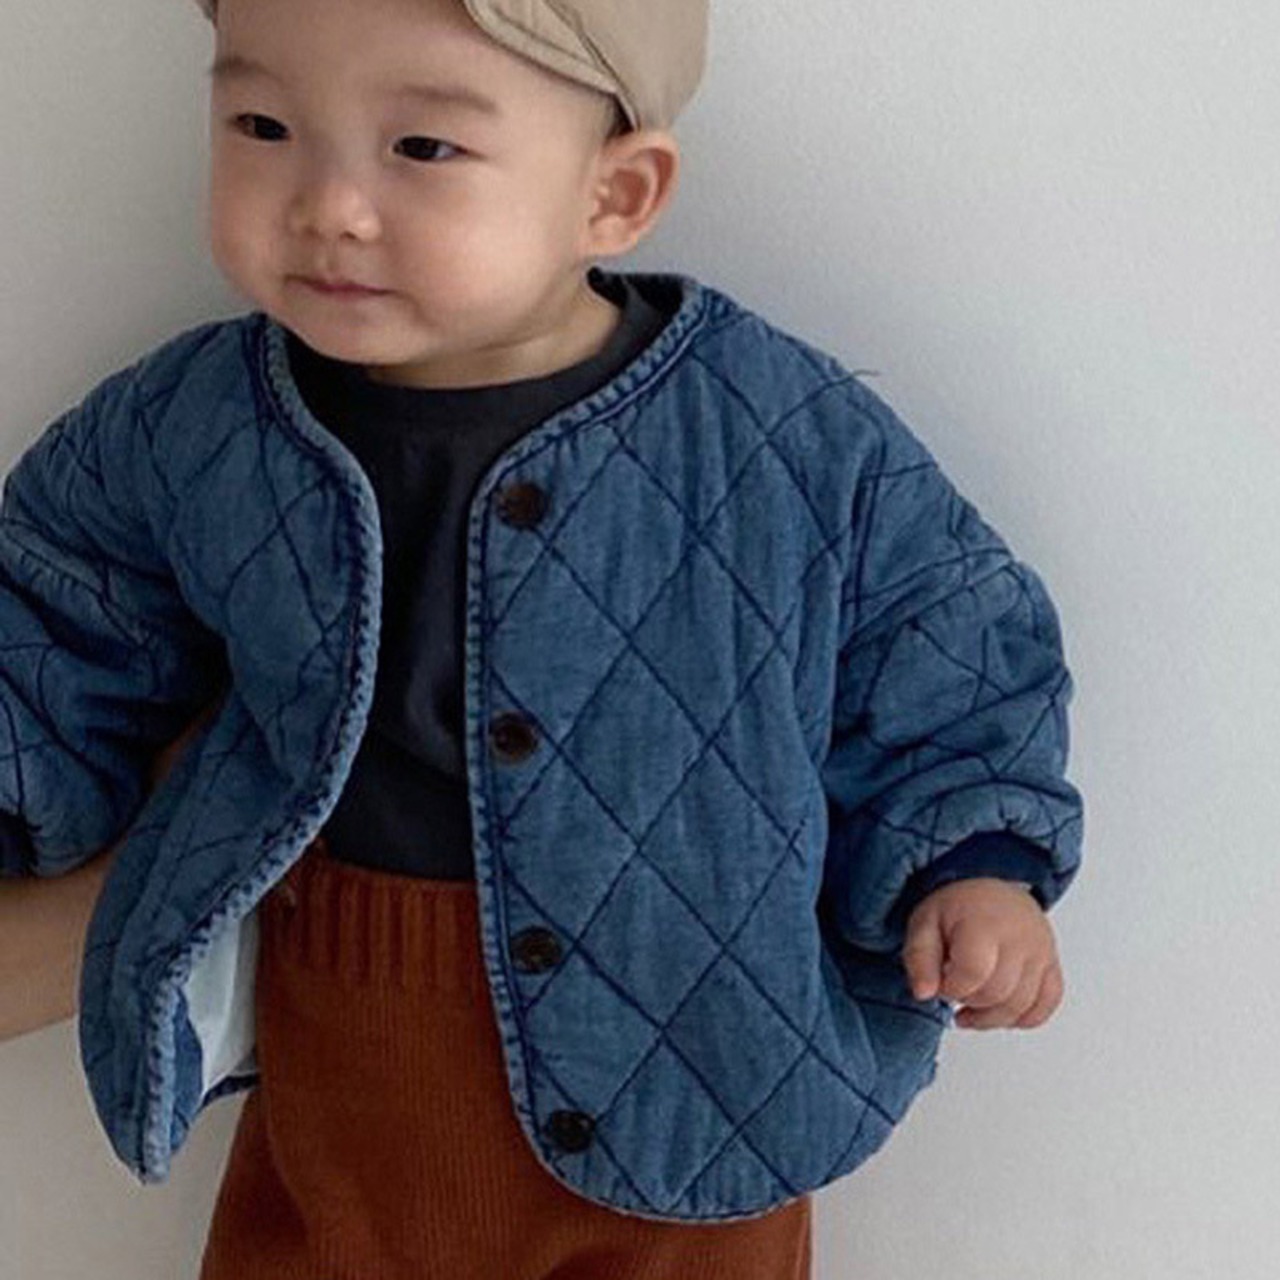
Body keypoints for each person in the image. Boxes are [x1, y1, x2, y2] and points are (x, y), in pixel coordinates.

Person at [0, 0, 1085, 1275]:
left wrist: (973, 861)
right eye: (261, 125)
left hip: (702, 1067)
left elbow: (944, 639)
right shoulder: (191, 427)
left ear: (614, 196)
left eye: (422, 148)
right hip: (350, 1060)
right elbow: (54, 616)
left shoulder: (780, 438)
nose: (327, 207)